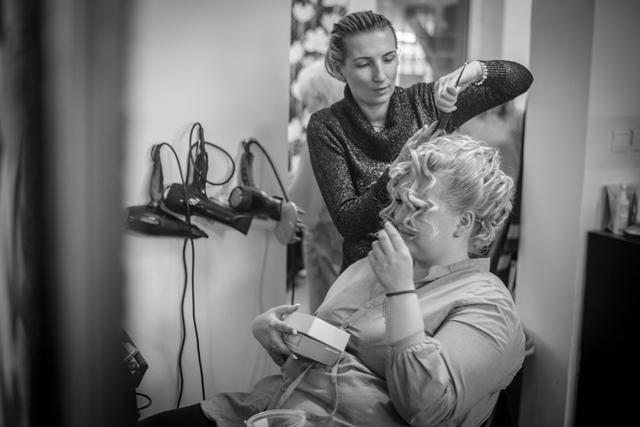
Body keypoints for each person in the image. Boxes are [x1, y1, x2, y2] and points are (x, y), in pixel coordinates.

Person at [137, 132, 525, 426]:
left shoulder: (488, 304)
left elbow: (428, 409)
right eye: (399, 202)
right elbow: (331, 350)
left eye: (418, 208)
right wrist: (281, 335)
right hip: (269, 407)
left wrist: (401, 292)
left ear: (463, 222)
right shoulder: (371, 265)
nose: (398, 217)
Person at [307, 10, 534, 271]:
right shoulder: (327, 126)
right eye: (363, 64)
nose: (380, 75)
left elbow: (520, 79)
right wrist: (398, 168)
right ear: (340, 69)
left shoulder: (427, 102)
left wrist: (472, 70)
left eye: (389, 58)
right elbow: (349, 224)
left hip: (435, 269)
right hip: (369, 271)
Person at [288, 59, 345, 312]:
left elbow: (303, 200)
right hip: (343, 227)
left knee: (325, 305)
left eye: (308, 99)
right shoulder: (349, 125)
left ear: (319, 96)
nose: (306, 106)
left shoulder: (321, 129)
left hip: (324, 229)